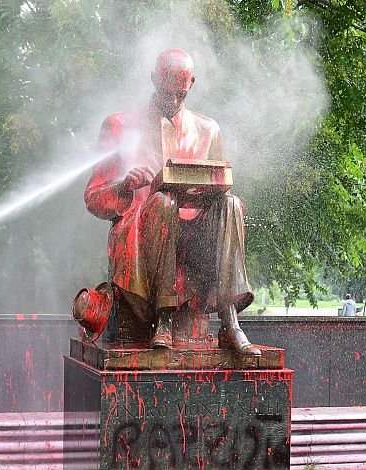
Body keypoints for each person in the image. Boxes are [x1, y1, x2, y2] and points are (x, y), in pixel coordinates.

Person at [85, 48, 258, 354]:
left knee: (230, 203)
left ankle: (229, 322)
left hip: (194, 238)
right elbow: (94, 198)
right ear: (154, 79)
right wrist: (125, 187)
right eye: (167, 93)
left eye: (181, 94)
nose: (174, 102)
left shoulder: (208, 130)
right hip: (143, 234)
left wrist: (207, 193)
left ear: (192, 84)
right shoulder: (120, 125)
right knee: (163, 201)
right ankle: (161, 319)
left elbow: (216, 187)